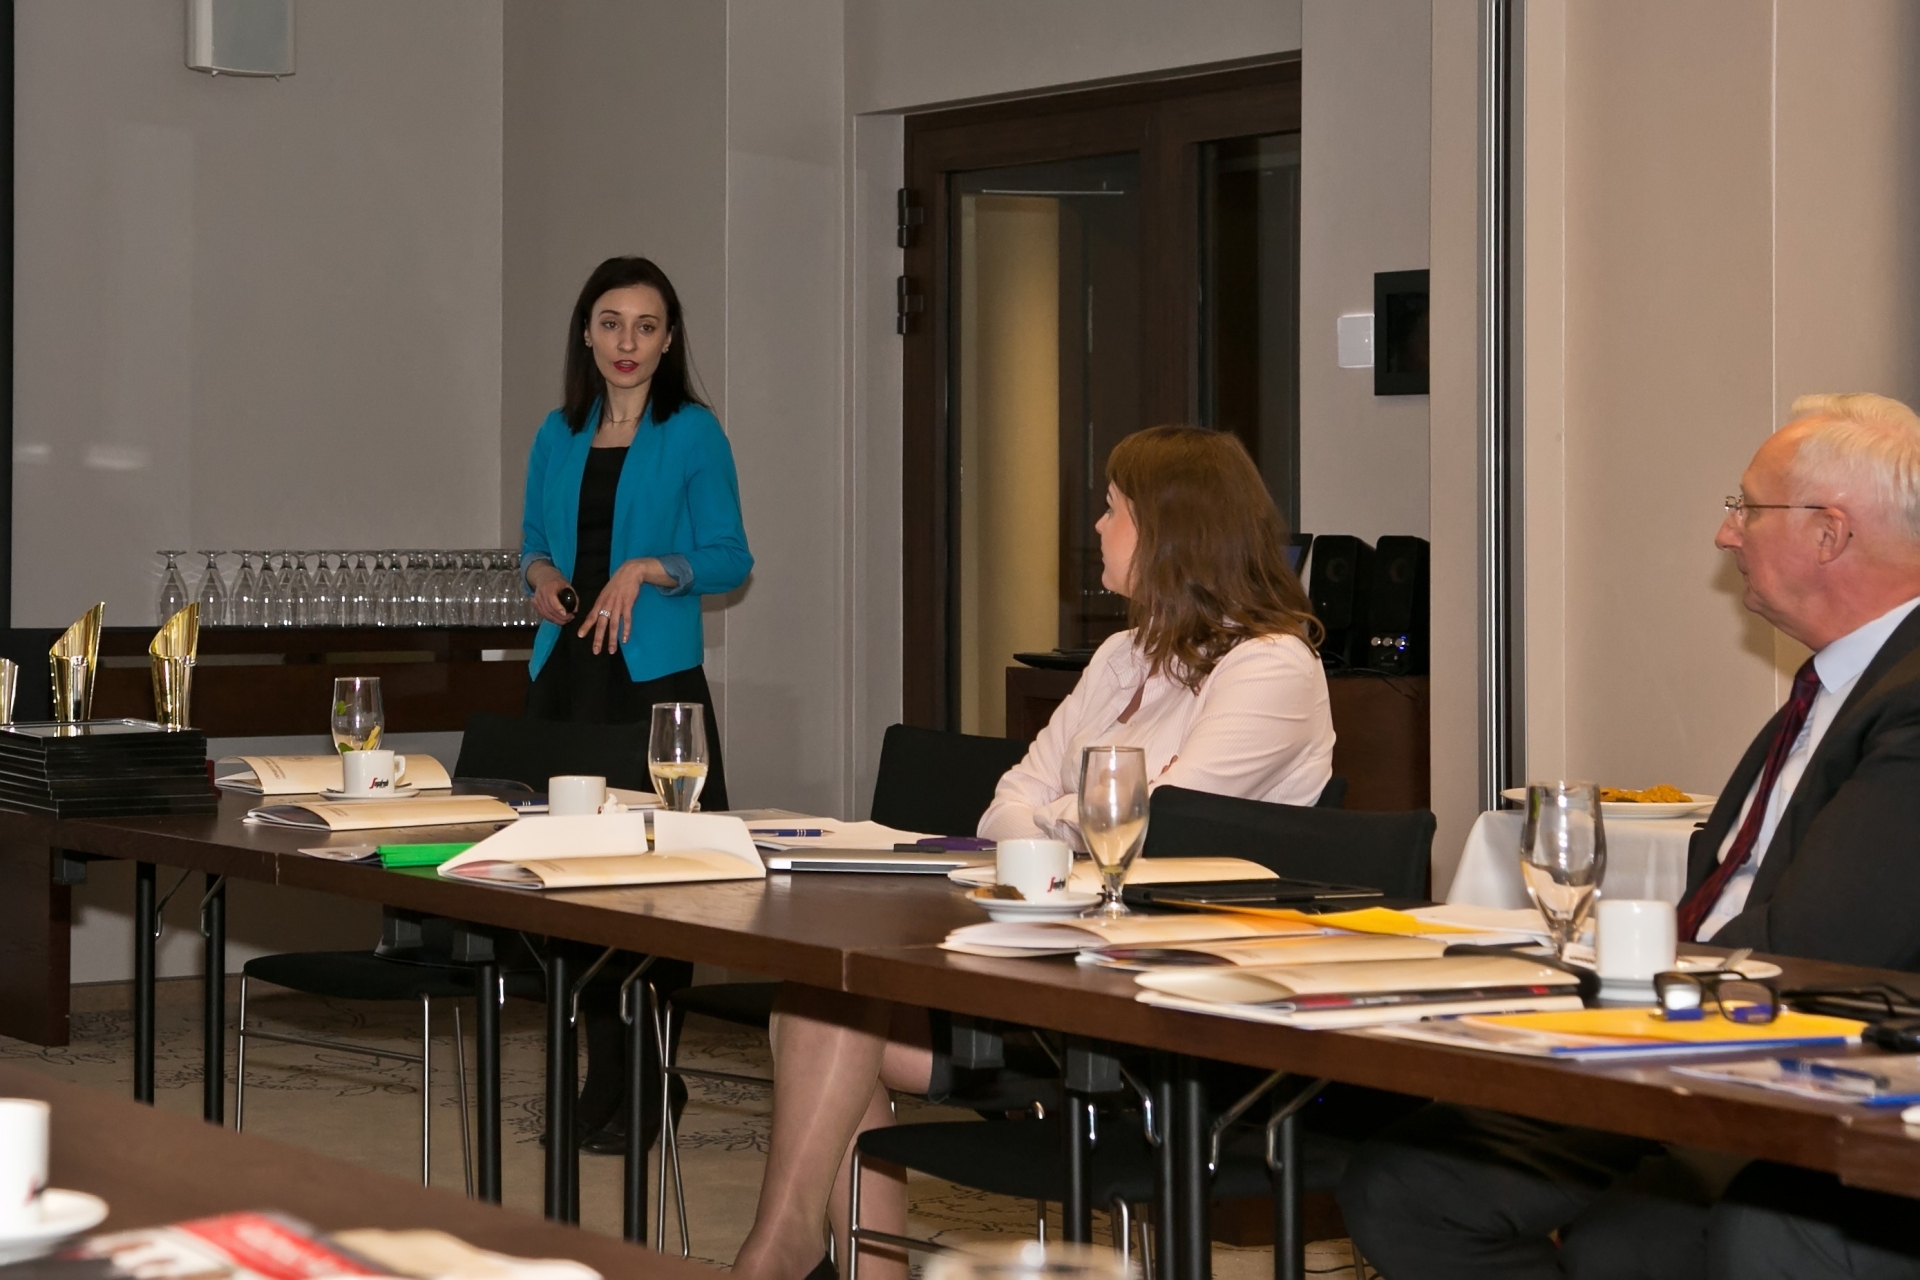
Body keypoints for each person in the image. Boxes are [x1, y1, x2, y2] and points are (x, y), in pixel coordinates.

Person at [731, 425, 1335, 1280]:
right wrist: (1072, 819)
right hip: (1057, 966)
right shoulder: (1123, 654)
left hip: (1181, 1005)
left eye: (1113, 510)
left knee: (828, 1018)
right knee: (820, 1002)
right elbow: (1003, 807)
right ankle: (802, 1253)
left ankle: (781, 1257)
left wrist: (1059, 820)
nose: (1097, 527)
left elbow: (1158, 828)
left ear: (1171, 529)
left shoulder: (1273, 668)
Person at [1338, 392, 1920, 1279]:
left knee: (1644, 1242)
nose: (1725, 534)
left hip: (1793, 1060)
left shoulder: (1907, 701)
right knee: (1407, 1186)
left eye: (1745, 508)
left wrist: (1631, 984)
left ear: (1829, 533)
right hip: (1688, 1039)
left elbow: (1822, 946)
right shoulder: (1832, 689)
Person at [519, 255, 753, 1154]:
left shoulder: (691, 432)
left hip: (655, 689)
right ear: (586, 332)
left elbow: (730, 558)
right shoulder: (557, 433)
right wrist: (541, 576)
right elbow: (532, 542)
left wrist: (649, 568)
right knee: (571, 885)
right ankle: (602, 1074)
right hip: (568, 681)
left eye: (646, 327)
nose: (628, 342)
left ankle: (655, 1075)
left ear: (668, 340)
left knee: (660, 889)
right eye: (611, 323)